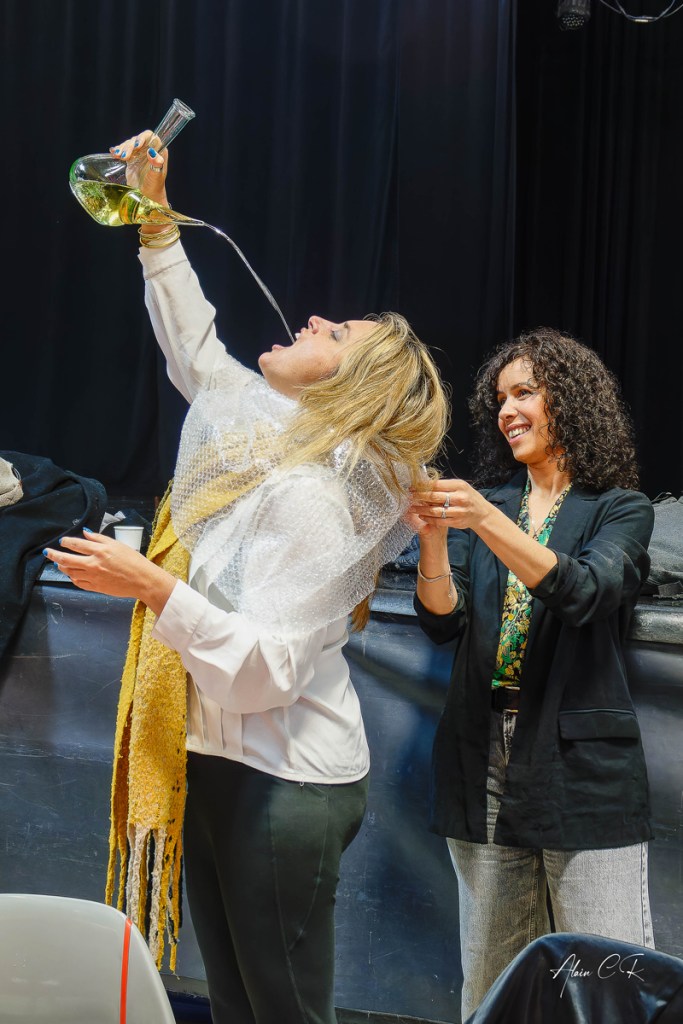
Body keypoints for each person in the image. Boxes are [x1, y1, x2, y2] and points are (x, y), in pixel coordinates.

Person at [45, 130, 449, 1024]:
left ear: (350, 388)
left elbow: (263, 674)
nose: (312, 320)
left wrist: (154, 587)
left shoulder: (311, 498)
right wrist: (155, 224)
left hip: (286, 782)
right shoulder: (270, 449)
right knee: (235, 1005)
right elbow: (198, 355)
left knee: (283, 1012)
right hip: (220, 761)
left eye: (334, 334)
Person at [408, 328, 655, 1021]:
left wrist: (483, 519)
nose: (506, 411)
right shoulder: (493, 505)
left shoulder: (618, 508)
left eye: (524, 393)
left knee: (606, 984)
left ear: (568, 401)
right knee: (492, 984)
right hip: (482, 754)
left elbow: (583, 591)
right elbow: (443, 621)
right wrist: (434, 539)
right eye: (499, 399)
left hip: (581, 769)